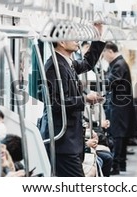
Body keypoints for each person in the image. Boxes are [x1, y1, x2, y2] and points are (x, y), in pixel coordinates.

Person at [38, 23, 106, 177]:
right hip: (62, 142)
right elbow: (55, 104)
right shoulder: (54, 67)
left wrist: (97, 37)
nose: (78, 40)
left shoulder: (66, 63)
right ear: (61, 42)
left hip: (71, 141)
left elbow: (88, 63)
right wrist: (85, 99)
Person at [102, 41, 137, 175]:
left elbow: (110, 82)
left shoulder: (118, 65)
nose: (104, 57)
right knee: (121, 134)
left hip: (119, 105)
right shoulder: (119, 63)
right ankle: (121, 163)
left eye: (104, 53)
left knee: (117, 134)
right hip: (121, 104)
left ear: (110, 51)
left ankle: (115, 165)